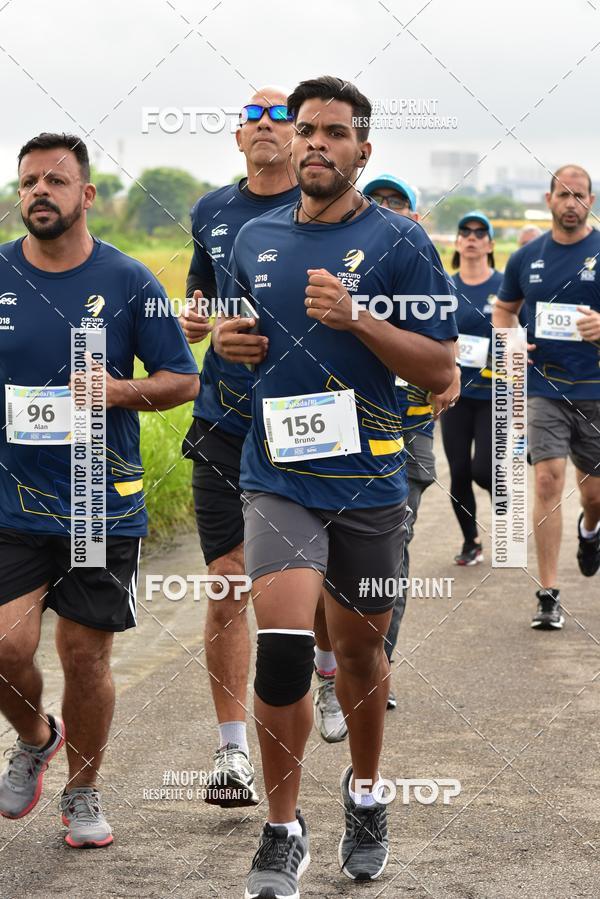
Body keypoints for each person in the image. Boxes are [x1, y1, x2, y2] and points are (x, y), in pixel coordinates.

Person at [214, 75, 457, 898]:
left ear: (363, 150)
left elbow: (439, 366)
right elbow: (236, 340)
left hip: (371, 481)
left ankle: (364, 794)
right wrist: (230, 346)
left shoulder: (402, 243)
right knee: (283, 655)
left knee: (358, 650)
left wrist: (359, 320)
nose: (315, 142)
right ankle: (282, 829)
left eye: (333, 132)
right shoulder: (255, 240)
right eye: (305, 129)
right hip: (276, 474)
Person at [0, 133, 198, 846]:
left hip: (97, 502)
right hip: (11, 502)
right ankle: (34, 734)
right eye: (27, 182)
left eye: (55, 181)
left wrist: (118, 391)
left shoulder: (130, 281)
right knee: (4, 644)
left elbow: (182, 378)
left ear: (87, 195)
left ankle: (83, 790)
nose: (38, 193)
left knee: (86, 656)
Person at [180, 88, 345, 810]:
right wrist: (201, 320)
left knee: (306, 588)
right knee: (227, 580)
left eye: (285, 117)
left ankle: (331, 669)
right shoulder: (212, 213)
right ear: (238, 137)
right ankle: (231, 753)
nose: (270, 126)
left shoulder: (324, 209)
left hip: (303, 421)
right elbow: (203, 295)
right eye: (256, 116)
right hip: (223, 419)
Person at [362, 175, 460, 707]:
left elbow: (449, 350)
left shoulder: (423, 265)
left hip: (408, 434)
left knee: (390, 559)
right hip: (343, 440)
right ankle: (335, 661)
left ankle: (378, 667)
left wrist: (455, 372)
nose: (385, 212)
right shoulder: (343, 271)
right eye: (376, 202)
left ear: (415, 218)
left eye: (397, 205)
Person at [494, 164, 600, 629]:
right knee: (547, 481)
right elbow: (504, 310)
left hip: (596, 388)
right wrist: (511, 341)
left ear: (591, 202)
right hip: (545, 386)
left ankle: (591, 529)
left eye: (580, 195)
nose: (571, 202)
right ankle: (548, 593)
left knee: (594, 495)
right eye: (563, 194)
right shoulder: (526, 257)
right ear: (549, 198)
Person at [441, 212, 503, 564]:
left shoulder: (505, 286)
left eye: (481, 233)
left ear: (490, 244)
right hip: (457, 395)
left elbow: (522, 334)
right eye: (465, 231)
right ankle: (471, 542)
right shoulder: (445, 286)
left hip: (495, 395)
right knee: (460, 471)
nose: (472, 237)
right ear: (457, 242)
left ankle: (505, 503)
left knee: (483, 470)